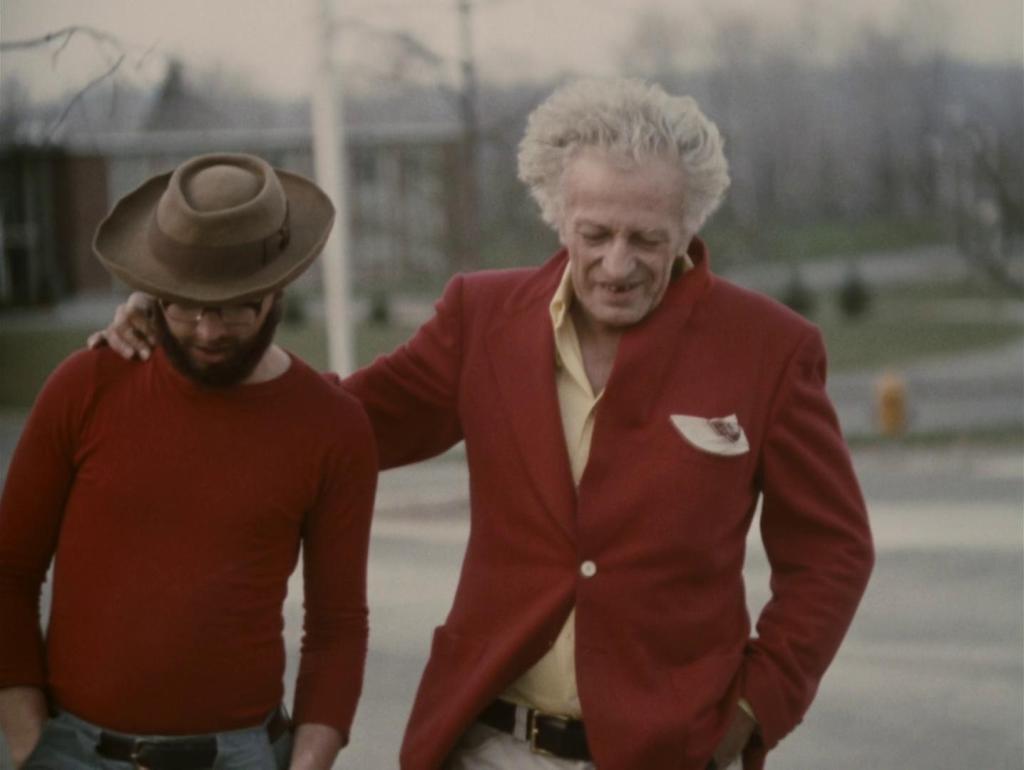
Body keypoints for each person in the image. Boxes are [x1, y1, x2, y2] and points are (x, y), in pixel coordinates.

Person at [90, 78, 874, 770]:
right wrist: (189, 326)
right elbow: (336, 423)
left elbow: (833, 552)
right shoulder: (483, 318)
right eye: (595, 234)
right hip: (490, 744)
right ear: (557, 215)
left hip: (672, 752)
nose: (618, 264)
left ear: (688, 226)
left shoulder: (770, 350)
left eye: (647, 239)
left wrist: (751, 712)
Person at [0, 153, 378, 770]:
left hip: (243, 755)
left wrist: (309, 763)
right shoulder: (86, 387)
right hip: (74, 751)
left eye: (237, 306)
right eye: (183, 304)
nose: (208, 331)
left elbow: (337, 626)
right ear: (152, 291)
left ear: (278, 289)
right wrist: (29, 745)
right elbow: (9, 571)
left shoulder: (333, 427)